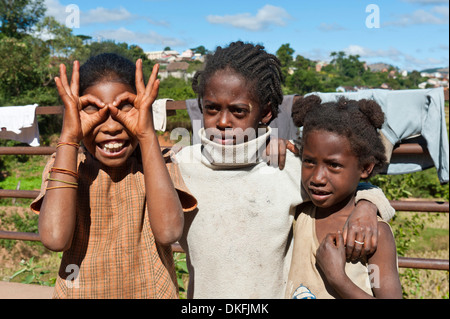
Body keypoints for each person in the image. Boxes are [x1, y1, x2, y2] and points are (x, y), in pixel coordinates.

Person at [172, 41, 395, 298]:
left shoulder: (287, 166)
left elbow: (346, 179)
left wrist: (368, 204)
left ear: (266, 113)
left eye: (238, 110)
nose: (223, 121)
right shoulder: (182, 167)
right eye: (212, 108)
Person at [31, 53, 197, 298]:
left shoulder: (158, 161)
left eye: (124, 107)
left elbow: (169, 232)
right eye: (91, 109)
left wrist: (147, 134)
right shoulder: (65, 164)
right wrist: (68, 138)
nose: (111, 126)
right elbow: (55, 239)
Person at [286, 96, 402, 299]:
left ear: (366, 167)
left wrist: (338, 278)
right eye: (309, 161)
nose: (317, 178)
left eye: (334, 165)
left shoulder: (373, 234)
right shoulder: (299, 210)